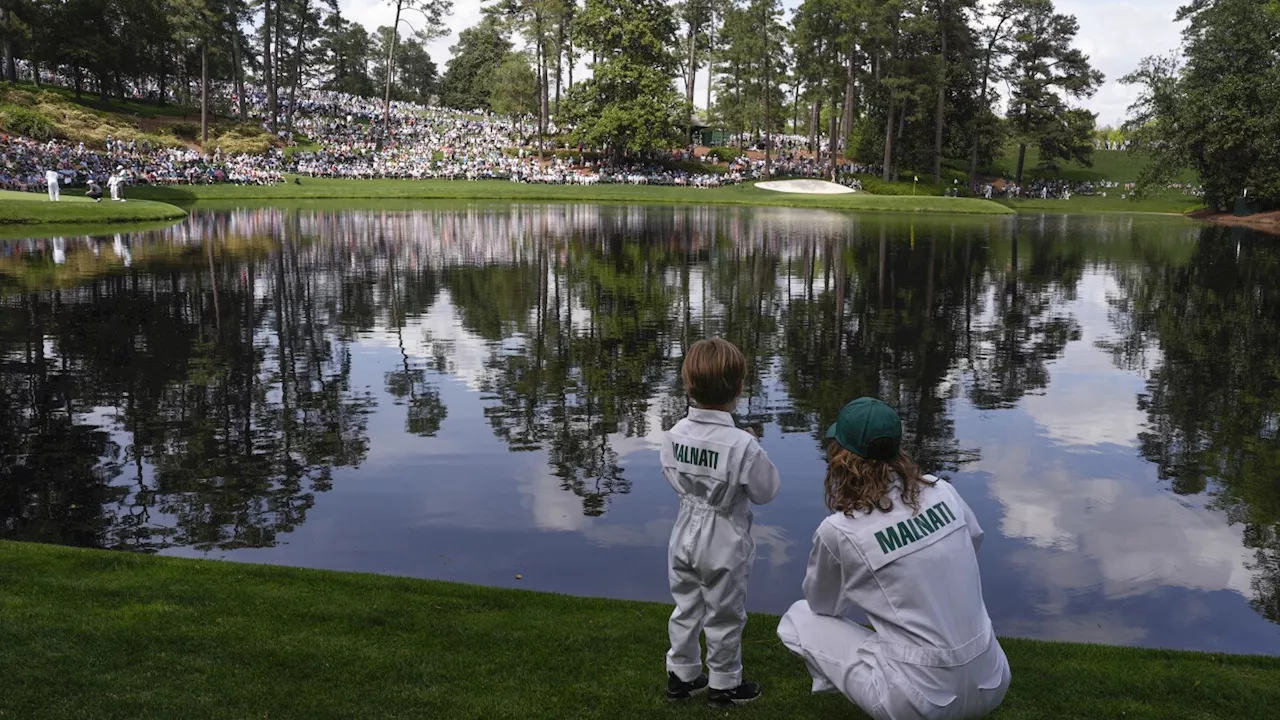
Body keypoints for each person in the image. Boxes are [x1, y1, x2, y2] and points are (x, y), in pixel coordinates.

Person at [777, 398, 1010, 720]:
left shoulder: (840, 530)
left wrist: (869, 587)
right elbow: (973, 543)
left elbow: (824, 607)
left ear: (841, 457)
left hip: (920, 703)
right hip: (994, 677)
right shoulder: (943, 491)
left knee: (798, 618)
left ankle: (861, 683)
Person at [662, 338, 780, 708]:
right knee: (725, 612)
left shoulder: (674, 434)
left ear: (688, 385)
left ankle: (681, 676)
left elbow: (671, 474)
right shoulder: (741, 444)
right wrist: (754, 445)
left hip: (683, 530)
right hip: (724, 536)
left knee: (686, 606)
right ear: (739, 388)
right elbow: (765, 491)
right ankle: (724, 683)